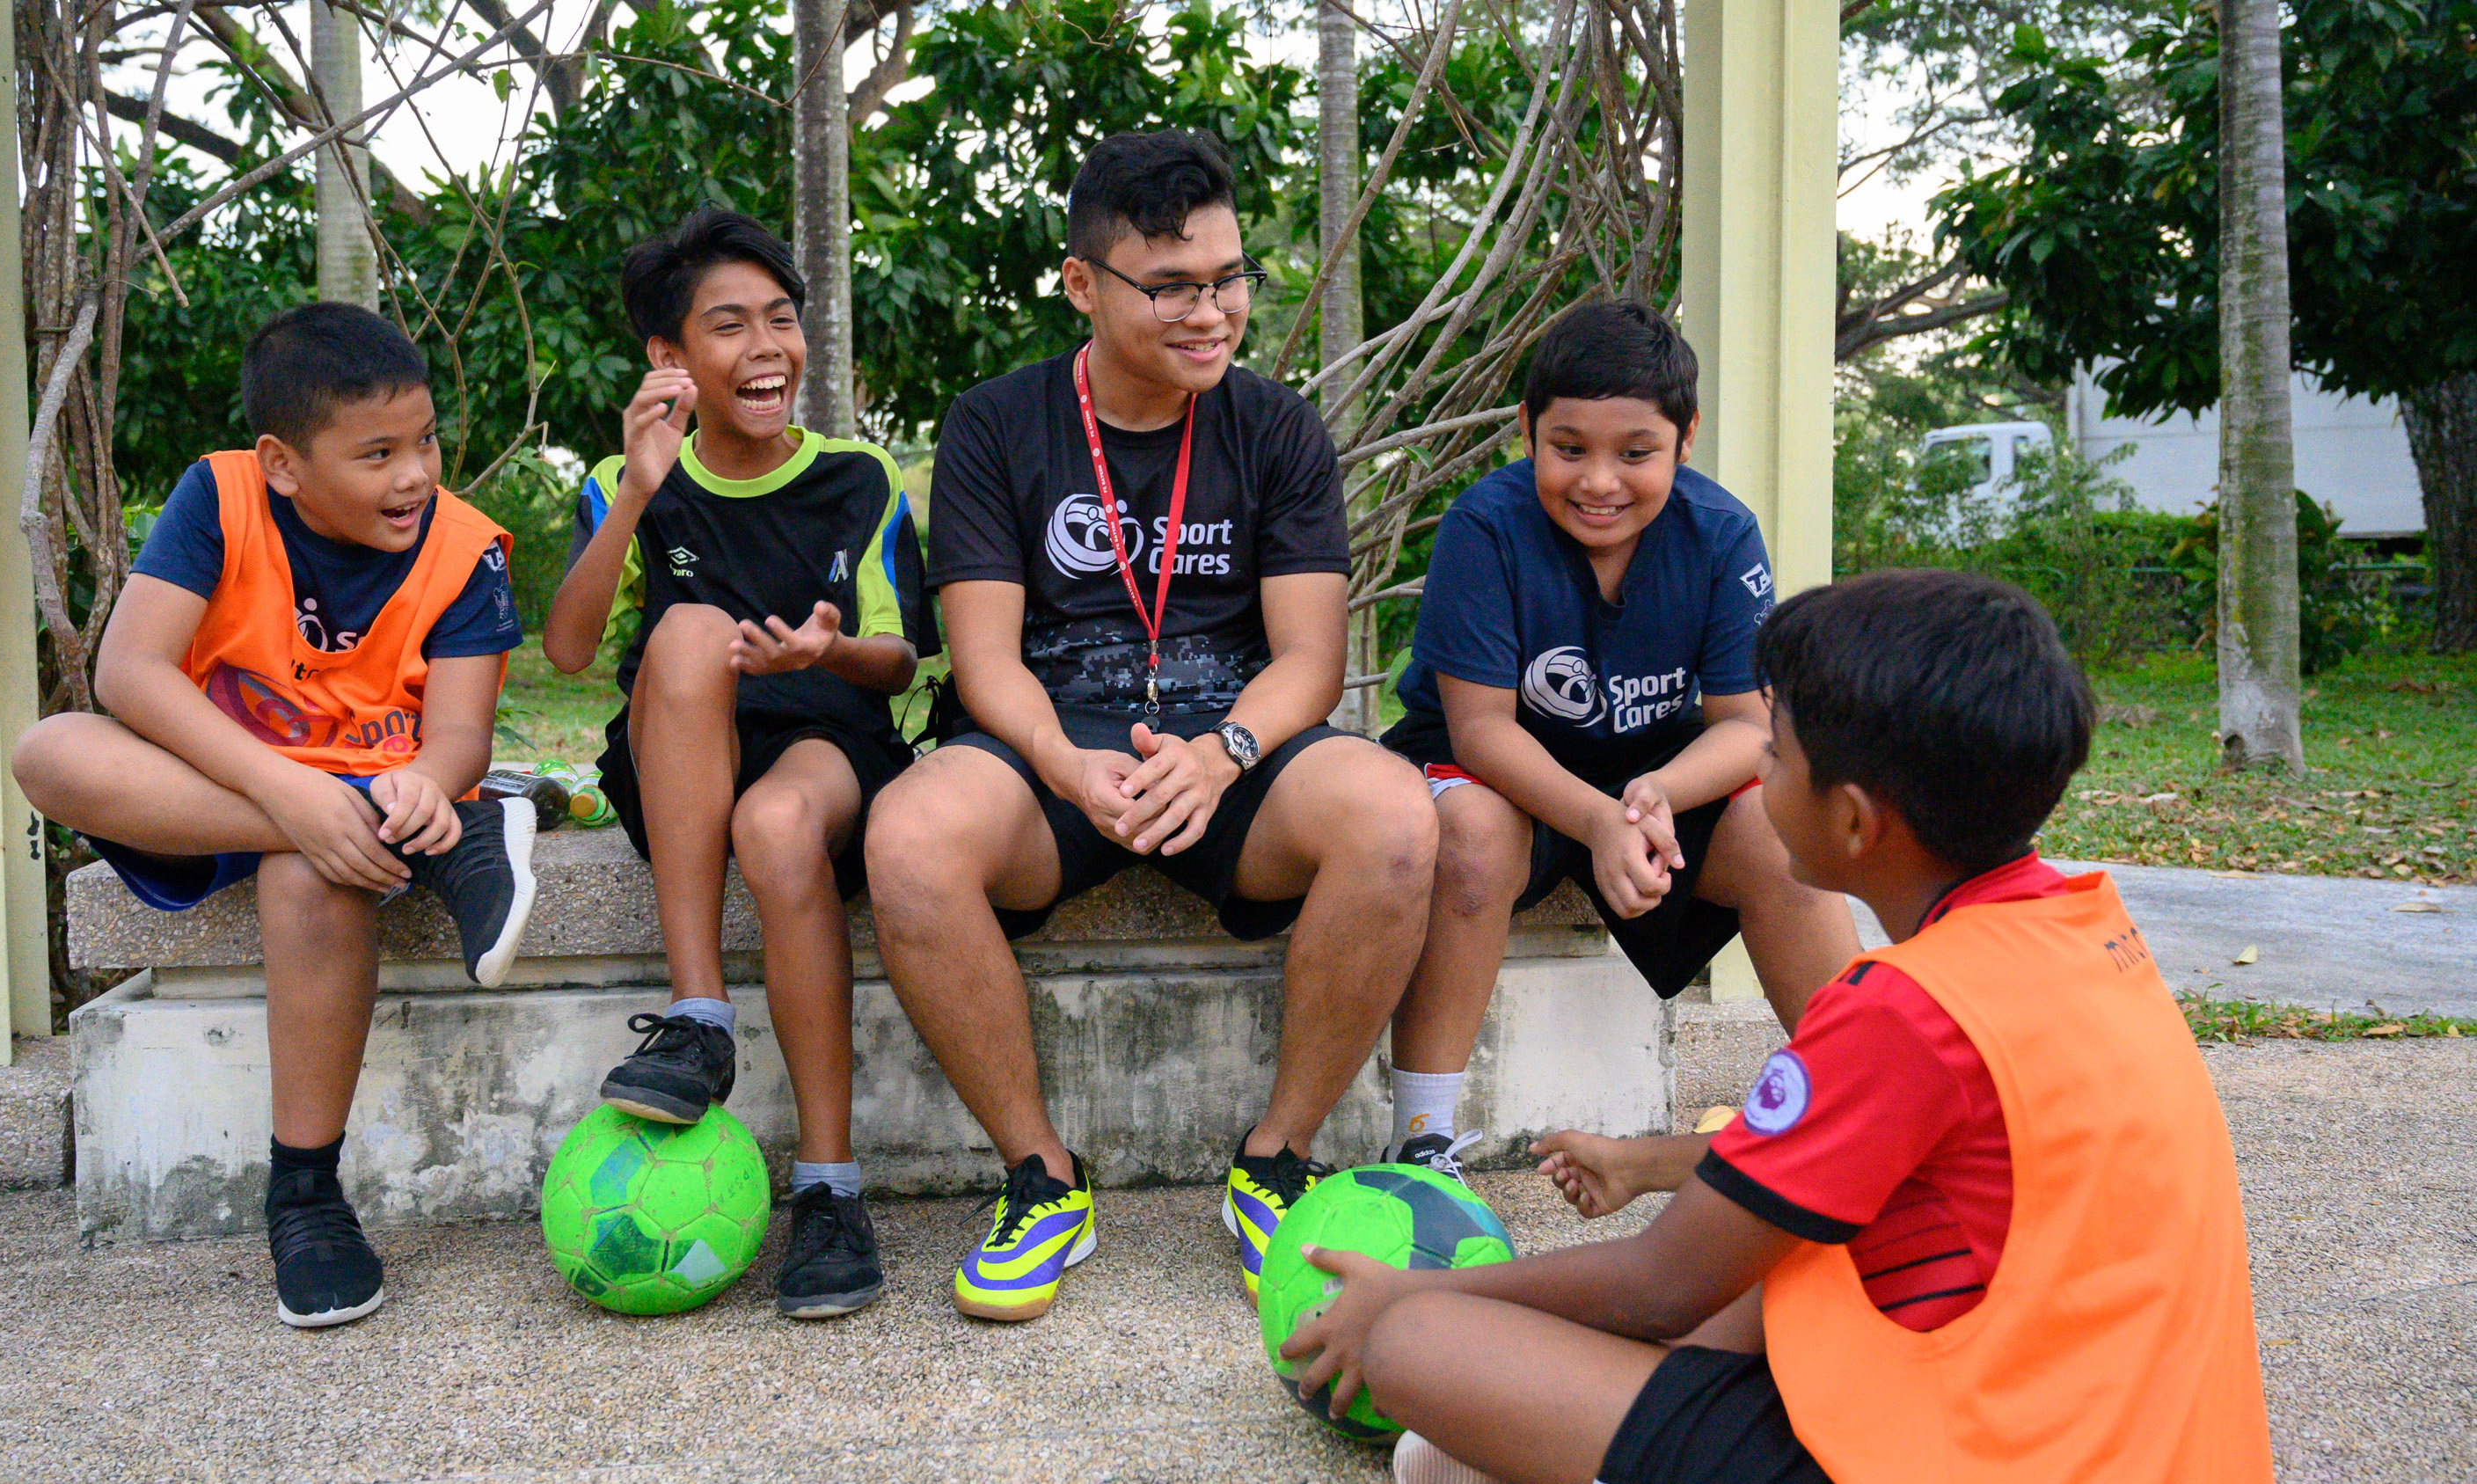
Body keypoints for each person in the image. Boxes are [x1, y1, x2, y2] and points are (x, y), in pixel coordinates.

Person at [1285, 569, 2274, 1484]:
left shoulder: (1901, 1008)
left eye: (1776, 752)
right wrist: (1645, 1162)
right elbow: (1872, 1145)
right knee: (1777, 1251)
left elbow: (1658, 1284)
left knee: (1421, 1351)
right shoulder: (2083, 927)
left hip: (1991, 1453)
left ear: (1853, 822)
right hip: (2139, 1440)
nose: (1759, 767)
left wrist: (1413, 1296)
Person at [863, 128, 1439, 1321]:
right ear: (1083, 283)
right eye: (1171, 286)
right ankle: (1042, 1177)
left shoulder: (1275, 428)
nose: (1210, 313)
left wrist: (1224, 753)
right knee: (909, 835)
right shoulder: (997, 423)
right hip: (1049, 757)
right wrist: (1067, 765)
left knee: (1393, 814)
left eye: (1228, 279)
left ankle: (1276, 1160)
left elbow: (1309, 658)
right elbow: (984, 659)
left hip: (1232, 753)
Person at [11, 303, 537, 1330]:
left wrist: (430, 785)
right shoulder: (222, 496)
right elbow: (129, 671)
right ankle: (393, 830)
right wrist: (292, 796)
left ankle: (304, 1197)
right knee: (50, 752)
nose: (415, 475)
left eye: (425, 441)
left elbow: (460, 736)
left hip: (379, 798)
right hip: (233, 785)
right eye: (377, 453)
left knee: (311, 872)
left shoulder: (465, 547)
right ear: (283, 463)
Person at [544, 207, 925, 1320]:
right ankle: (700, 1016)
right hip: (681, 747)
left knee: (775, 826)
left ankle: (830, 1189)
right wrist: (637, 490)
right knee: (689, 630)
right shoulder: (629, 476)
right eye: (729, 325)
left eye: (781, 319)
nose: (766, 347)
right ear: (669, 357)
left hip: (825, 738)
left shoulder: (860, 477)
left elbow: (901, 659)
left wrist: (827, 648)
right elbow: (567, 650)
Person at [1379, 301, 1857, 1181]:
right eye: (1570, 449)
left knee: (1779, 833)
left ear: (1686, 438)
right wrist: (1602, 820)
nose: (1600, 482)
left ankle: (1865, 1102)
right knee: (1475, 837)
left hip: (1647, 774)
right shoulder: (1483, 528)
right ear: (1526, 431)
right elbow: (1481, 730)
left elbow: (1749, 726)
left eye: (1636, 453)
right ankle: (1423, 1137)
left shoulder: (1721, 533)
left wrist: (1655, 795)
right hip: (1497, 772)